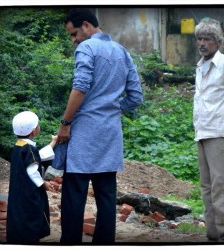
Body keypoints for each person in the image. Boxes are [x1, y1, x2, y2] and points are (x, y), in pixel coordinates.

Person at [57, 8, 143, 244]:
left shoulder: (87, 47)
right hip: (109, 134)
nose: (74, 40)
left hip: (84, 133)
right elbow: (136, 96)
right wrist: (114, 109)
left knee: (74, 195)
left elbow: (81, 86)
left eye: (73, 34)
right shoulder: (122, 51)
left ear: (86, 25)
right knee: (106, 196)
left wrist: (65, 123)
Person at [193, 18, 224, 242]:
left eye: (207, 39)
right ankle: (213, 235)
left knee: (220, 184)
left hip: (218, 132)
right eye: (199, 39)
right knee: (206, 185)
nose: (202, 43)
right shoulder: (200, 65)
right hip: (202, 131)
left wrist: (222, 120)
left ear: (218, 42)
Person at [7, 111, 58, 244]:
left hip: (18, 192)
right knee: (32, 214)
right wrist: (44, 184)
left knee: (20, 214)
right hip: (29, 193)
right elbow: (32, 171)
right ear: (34, 130)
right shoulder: (29, 148)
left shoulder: (18, 147)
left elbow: (39, 156)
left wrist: (53, 142)